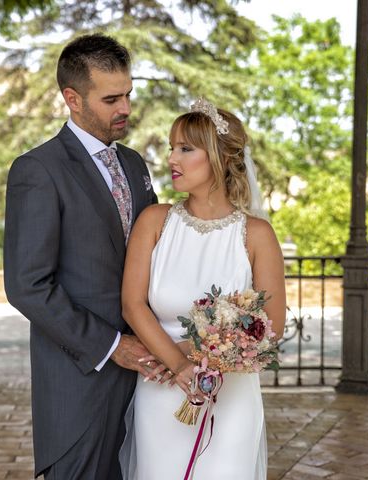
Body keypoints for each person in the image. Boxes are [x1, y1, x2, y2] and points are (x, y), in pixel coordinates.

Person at [3, 33, 158, 480]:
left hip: (145, 379)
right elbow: (27, 286)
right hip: (80, 383)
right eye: (111, 98)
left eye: (128, 94)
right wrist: (112, 347)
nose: (125, 108)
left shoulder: (134, 163)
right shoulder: (37, 170)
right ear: (73, 98)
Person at [120, 99, 286, 479]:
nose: (172, 159)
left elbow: (271, 325)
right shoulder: (154, 222)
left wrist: (193, 352)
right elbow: (132, 305)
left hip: (232, 398)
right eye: (170, 147)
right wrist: (176, 363)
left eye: (185, 149)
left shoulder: (257, 235)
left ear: (218, 158)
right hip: (161, 389)